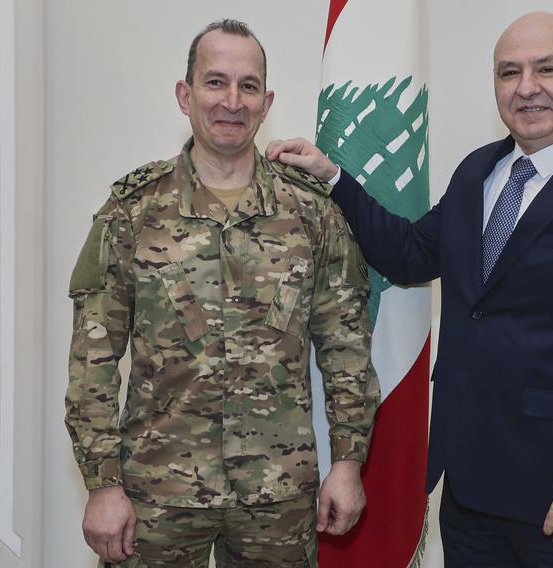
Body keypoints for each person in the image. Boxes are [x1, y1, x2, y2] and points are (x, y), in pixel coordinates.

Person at [267, 11, 553, 567]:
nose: (527, 88)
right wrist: (334, 178)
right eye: (509, 72)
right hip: (471, 491)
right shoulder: (480, 170)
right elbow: (410, 254)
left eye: (547, 68)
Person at [65, 19, 379, 568]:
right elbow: (93, 359)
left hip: (277, 495)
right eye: (215, 82)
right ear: (185, 96)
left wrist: (349, 463)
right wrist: (102, 482)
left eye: (248, 85)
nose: (231, 101)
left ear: (266, 101)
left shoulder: (310, 212)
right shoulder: (132, 211)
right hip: (155, 495)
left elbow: (346, 349)